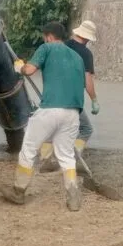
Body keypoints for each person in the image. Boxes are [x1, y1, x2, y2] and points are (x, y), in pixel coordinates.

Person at [0, 22, 87, 211]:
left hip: (50, 110)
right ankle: (73, 197)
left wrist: (20, 67)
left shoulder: (46, 48)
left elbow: (30, 70)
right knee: (66, 155)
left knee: (29, 149)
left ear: (48, 36)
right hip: (73, 112)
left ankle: (18, 192)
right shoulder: (77, 57)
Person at [38, 20, 99, 172]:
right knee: (85, 129)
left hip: (52, 97)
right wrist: (94, 100)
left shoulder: (62, 46)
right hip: (71, 100)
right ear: (87, 38)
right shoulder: (85, 54)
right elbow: (87, 80)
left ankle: (45, 159)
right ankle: (70, 158)